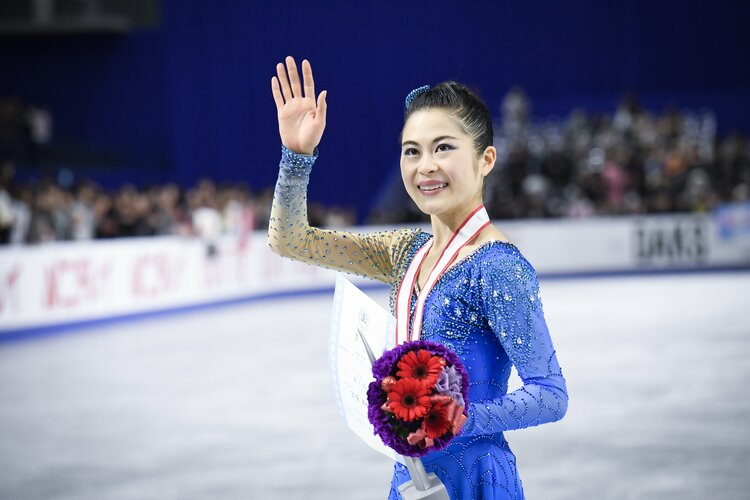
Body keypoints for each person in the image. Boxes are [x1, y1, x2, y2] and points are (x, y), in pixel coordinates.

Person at [268, 56, 568, 500]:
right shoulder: (403, 251)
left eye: (443, 147)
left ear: (486, 159)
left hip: (477, 479)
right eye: (412, 151)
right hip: (412, 478)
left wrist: (459, 417)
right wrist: (296, 157)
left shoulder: (498, 266)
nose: (425, 165)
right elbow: (291, 240)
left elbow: (551, 395)